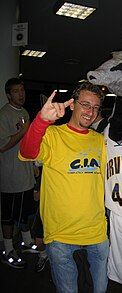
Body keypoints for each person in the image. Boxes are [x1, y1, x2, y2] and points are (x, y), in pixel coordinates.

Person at [19, 82, 109, 293]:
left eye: (96, 107)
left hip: (97, 233)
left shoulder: (101, 141)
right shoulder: (53, 135)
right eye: (85, 105)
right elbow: (28, 153)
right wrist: (41, 121)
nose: (90, 112)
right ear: (72, 105)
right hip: (61, 235)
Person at [0, 78, 38, 269]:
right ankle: (7, 250)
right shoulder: (4, 115)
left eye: (22, 90)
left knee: (25, 212)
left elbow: (27, 143)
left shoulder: (24, 112)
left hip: (25, 175)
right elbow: (2, 145)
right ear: (8, 95)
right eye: (16, 91)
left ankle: (26, 241)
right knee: (8, 216)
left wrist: (33, 165)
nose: (21, 94)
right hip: (10, 177)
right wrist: (22, 132)